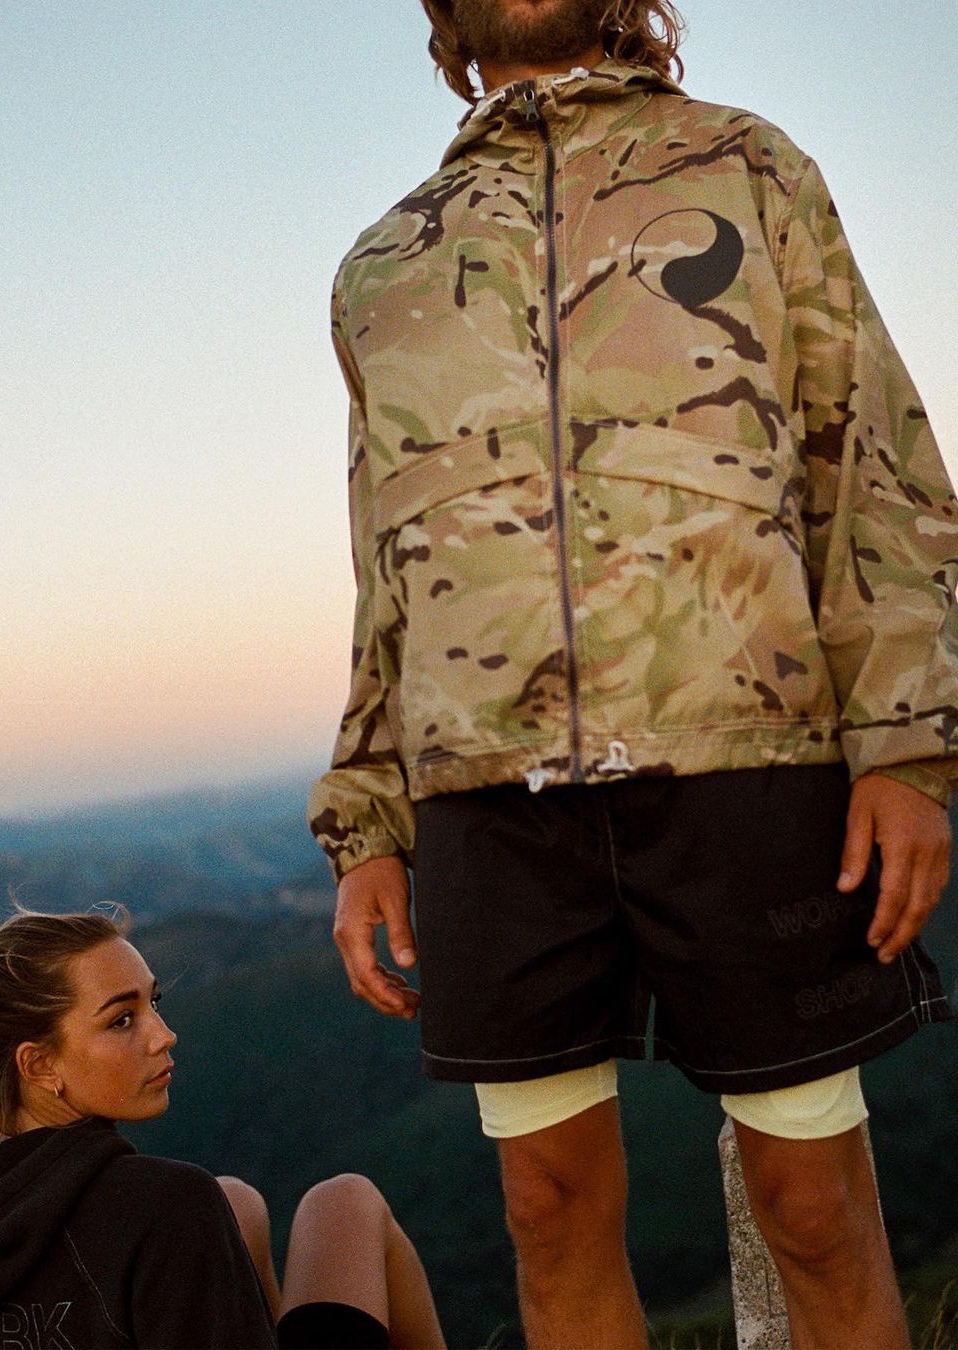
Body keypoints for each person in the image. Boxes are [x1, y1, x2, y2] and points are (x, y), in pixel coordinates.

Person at [306, 2, 958, 1346]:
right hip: (485, 792)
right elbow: (385, 565)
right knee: (546, 1209)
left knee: (816, 1208)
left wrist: (909, 741)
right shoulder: (383, 262)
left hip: (750, 751)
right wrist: (367, 818)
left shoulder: (748, 165)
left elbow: (869, 454)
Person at [0, 907, 445, 1350]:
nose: (164, 1034)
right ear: (40, 1065)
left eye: (154, 1003)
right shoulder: (164, 1205)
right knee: (344, 1203)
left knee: (236, 1202)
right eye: (122, 1020)